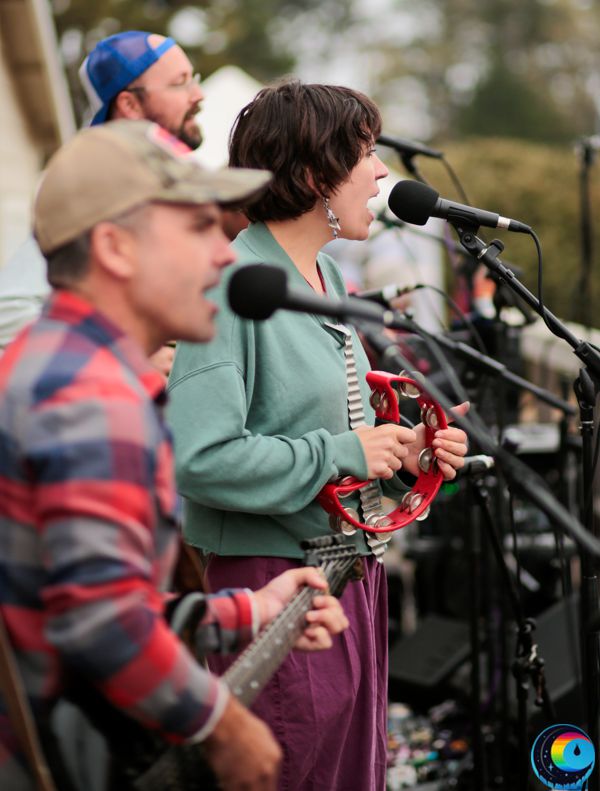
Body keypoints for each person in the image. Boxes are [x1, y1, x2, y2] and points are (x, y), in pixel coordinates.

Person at [0, 119, 349, 791]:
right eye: (196, 228)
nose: (224, 254)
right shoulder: (89, 394)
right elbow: (102, 622)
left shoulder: (60, 365)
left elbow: (97, 603)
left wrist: (251, 611)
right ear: (116, 247)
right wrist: (221, 722)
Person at [167, 79, 469, 791]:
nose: (380, 172)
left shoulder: (327, 274)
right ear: (313, 177)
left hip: (350, 580)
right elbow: (197, 457)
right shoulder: (232, 283)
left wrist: (407, 456)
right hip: (276, 591)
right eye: (365, 153)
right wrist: (343, 452)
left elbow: (343, 429)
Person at [0, 30, 205, 363]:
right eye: (180, 82)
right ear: (129, 104)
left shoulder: (156, 182)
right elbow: (7, 312)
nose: (198, 94)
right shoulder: (94, 186)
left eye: (192, 78)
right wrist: (123, 353)